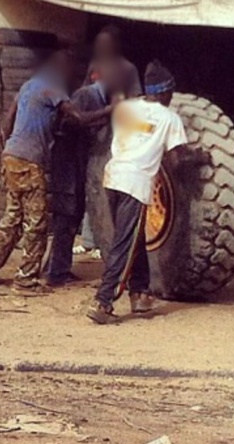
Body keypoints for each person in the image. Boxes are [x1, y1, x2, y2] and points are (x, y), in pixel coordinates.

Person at [0, 50, 114, 293]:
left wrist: (12, 146)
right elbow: (78, 118)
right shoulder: (52, 89)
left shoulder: (28, 86)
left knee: (12, 219)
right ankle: (25, 280)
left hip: (12, 157)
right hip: (29, 162)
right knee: (36, 223)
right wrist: (108, 112)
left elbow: (6, 121)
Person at [87, 61, 190, 324]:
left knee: (134, 239)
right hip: (135, 184)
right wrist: (199, 157)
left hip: (113, 178)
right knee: (125, 243)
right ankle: (103, 300)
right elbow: (177, 161)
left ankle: (140, 295)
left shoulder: (125, 109)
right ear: (166, 92)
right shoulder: (169, 118)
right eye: (171, 92)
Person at [76, 24, 143, 260]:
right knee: (92, 186)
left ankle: (108, 240)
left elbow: (135, 100)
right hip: (97, 133)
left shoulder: (128, 69)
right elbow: (85, 92)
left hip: (118, 135)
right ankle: (88, 241)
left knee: (111, 187)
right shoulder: (96, 66)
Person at [45, 75, 118, 286]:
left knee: (70, 218)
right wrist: (106, 113)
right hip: (67, 167)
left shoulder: (98, 98)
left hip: (75, 168)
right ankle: (56, 273)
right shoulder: (87, 95)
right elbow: (70, 121)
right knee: (66, 219)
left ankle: (56, 267)